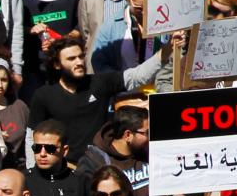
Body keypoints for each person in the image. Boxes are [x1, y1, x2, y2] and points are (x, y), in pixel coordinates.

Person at [28, 37, 160, 167]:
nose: (79, 62)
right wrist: (31, 172)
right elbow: (31, 136)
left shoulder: (99, 83)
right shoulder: (44, 95)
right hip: (67, 169)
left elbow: (138, 76)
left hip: (102, 165)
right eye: (71, 59)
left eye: (81, 57)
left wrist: (167, 50)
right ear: (57, 64)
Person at [27, 121, 86, 196]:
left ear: (65, 150)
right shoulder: (23, 181)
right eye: (37, 148)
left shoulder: (81, 182)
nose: (42, 154)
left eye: (50, 149)